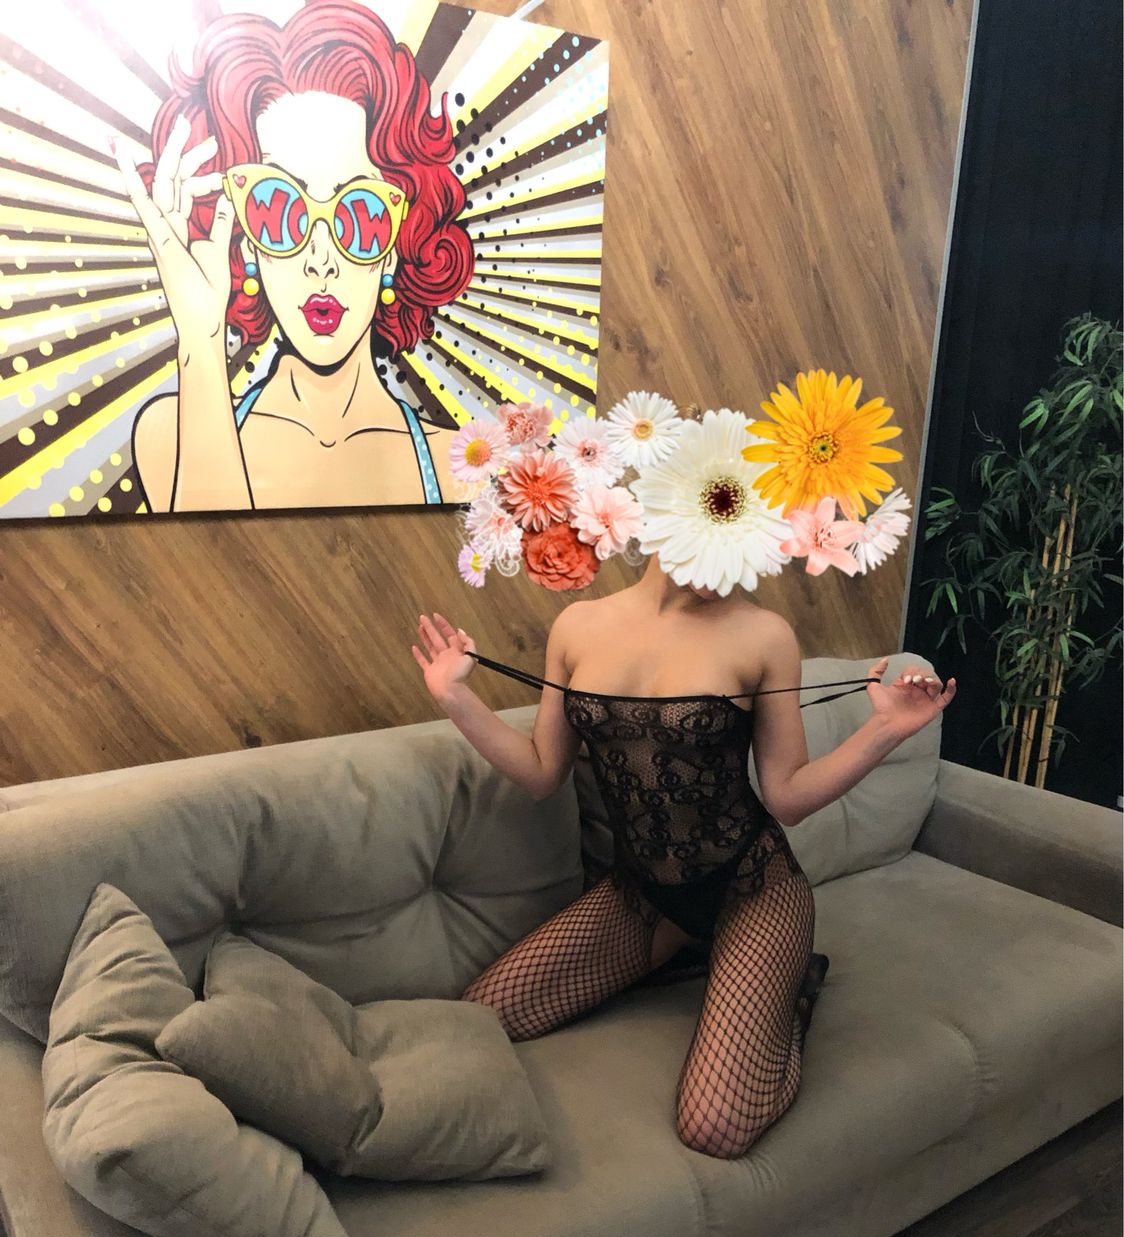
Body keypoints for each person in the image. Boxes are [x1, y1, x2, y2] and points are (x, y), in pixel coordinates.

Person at [411, 559, 955, 1160]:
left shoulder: (763, 634)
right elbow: (543, 772)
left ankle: (793, 988)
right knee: (483, 1014)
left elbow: (788, 798)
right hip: (642, 895)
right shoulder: (577, 625)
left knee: (714, 1127)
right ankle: (684, 947)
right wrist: (454, 695)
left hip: (753, 889)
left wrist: (886, 730)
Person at [112, 0, 473, 513]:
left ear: (398, 243)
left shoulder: (463, 471)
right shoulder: (168, 436)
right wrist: (200, 343)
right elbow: (217, 553)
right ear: (246, 243)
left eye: (362, 215)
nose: (320, 262)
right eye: (277, 210)